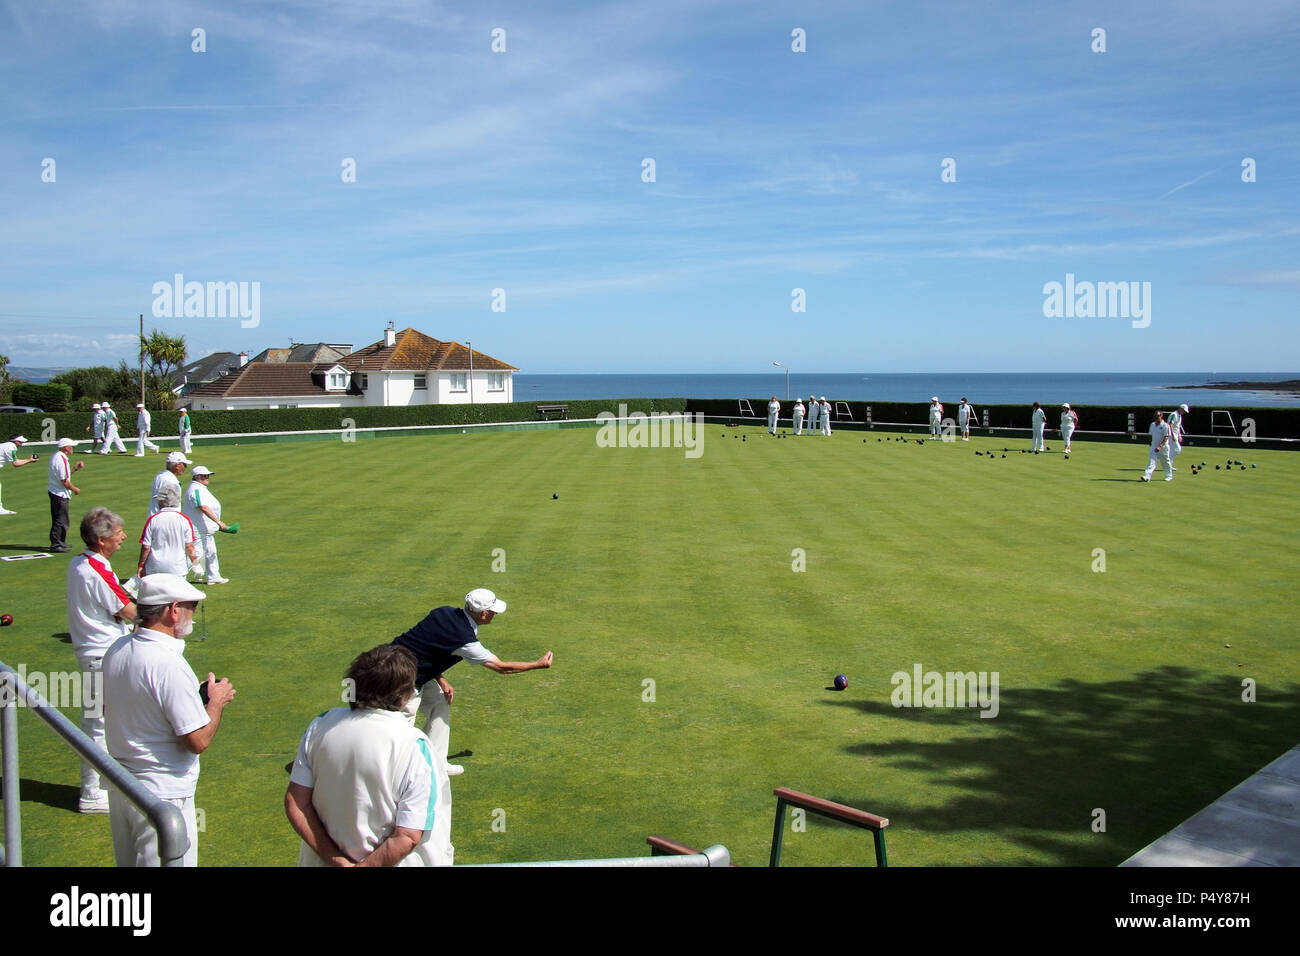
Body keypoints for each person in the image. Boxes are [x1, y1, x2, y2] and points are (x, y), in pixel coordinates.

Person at [392, 588, 554, 865]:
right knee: (397, 731)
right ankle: (393, 775)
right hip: (399, 679)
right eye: (492, 612)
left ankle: (438, 762)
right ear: (482, 613)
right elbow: (502, 668)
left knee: (441, 701)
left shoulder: (443, 612)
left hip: (408, 666)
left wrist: (440, 678)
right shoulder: (465, 639)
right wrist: (537, 665)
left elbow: (425, 645)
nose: (494, 615)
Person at [103, 574, 235, 866]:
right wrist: (217, 702)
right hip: (163, 794)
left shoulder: (116, 649)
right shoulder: (168, 664)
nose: (193, 615)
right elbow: (197, 741)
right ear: (173, 610)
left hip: (123, 786)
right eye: (192, 607)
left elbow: (119, 707)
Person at [285, 644, 448, 867]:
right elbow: (408, 835)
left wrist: (335, 859)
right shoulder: (414, 745)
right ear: (404, 694)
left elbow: (296, 802)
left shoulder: (320, 725)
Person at [67, 507, 137, 813]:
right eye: (117, 533)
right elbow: (127, 610)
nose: (122, 537)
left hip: (94, 651)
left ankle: (100, 786)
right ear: (100, 539)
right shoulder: (96, 568)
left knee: (99, 722)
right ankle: (92, 793)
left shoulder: (79, 563)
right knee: (98, 725)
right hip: (101, 654)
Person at [182, 466, 231, 584]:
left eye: (208, 475)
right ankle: (178, 576)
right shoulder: (196, 489)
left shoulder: (200, 487)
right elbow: (202, 506)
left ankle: (213, 576)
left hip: (205, 528)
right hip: (198, 528)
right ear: (197, 477)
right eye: (205, 476)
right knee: (196, 554)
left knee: (211, 552)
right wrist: (218, 522)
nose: (208, 478)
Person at [137, 486, 199, 578]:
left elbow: (146, 547)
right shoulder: (184, 520)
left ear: (162, 501)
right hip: (177, 568)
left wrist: (141, 565)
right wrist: (196, 564)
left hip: (155, 568)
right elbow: (189, 547)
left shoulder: (153, 519)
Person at [48, 438, 84, 553]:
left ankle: (60, 542)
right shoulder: (60, 459)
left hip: (56, 491)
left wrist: (75, 468)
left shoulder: (58, 457)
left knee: (60, 519)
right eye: (71, 446)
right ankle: (56, 544)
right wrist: (75, 489)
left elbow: (64, 476)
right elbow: (64, 481)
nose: (72, 448)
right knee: (61, 520)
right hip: (59, 493)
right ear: (66, 448)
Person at [0, 433, 38, 515]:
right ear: (15, 441)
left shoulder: (7, 445)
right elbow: (16, 464)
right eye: (20, 441)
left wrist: (28, 460)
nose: (22, 443)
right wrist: (29, 460)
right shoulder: (11, 448)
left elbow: (15, 460)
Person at [149, 452, 191, 520]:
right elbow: (164, 503)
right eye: (184, 465)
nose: (185, 468)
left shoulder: (160, 476)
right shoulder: (171, 481)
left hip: (156, 519)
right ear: (177, 466)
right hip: (164, 521)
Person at [1141, 410, 1173, 482]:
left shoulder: (1165, 425)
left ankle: (1169, 476)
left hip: (1163, 447)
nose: (1156, 417)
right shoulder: (1152, 425)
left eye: (1158, 416)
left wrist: (1160, 446)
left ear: (1161, 416)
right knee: (1151, 462)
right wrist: (1150, 443)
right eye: (1155, 416)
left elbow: (1166, 437)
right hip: (1153, 446)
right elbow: (1150, 435)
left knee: (1165, 462)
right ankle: (1147, 476)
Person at [1167, 403, 1188, 470]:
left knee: (1172, 450)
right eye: (1184, 410)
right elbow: (1170, 425)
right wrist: (1173, 435)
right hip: (1171, 434)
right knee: (1177, 449)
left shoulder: (1179, 416)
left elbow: (1178, 427)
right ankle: (1167, 464)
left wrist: (1179, 435)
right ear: (1180, 408)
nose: (1184, 412)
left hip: (1175, 434)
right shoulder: (1174, 414)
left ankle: (1169, 465)